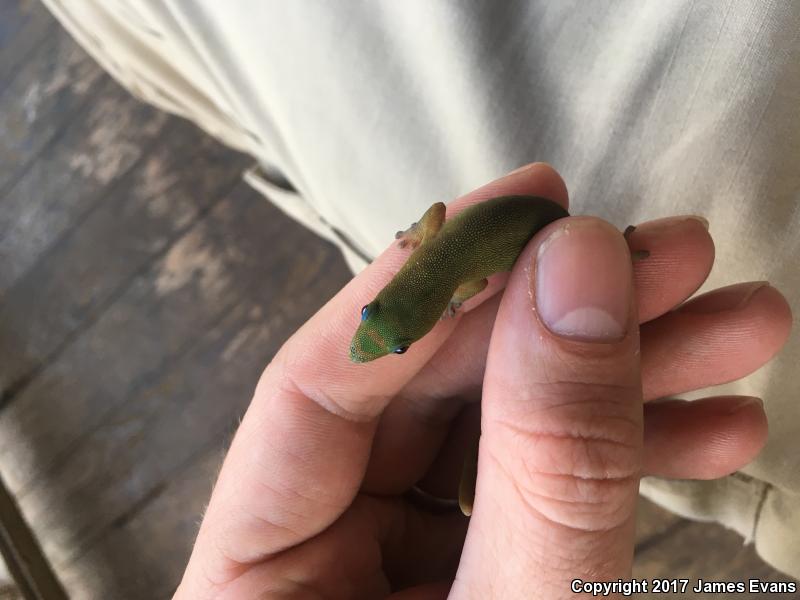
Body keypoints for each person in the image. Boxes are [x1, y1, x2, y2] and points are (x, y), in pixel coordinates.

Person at [43, 1, 798, 594]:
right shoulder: (429, 265)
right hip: (547, 237)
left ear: (410, 314)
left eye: (379, 322)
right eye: (387, 336)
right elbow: (436, 220)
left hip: (550, 245)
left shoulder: (454, 295)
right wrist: (408, 240)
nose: (371, 333)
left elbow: (470, 284)